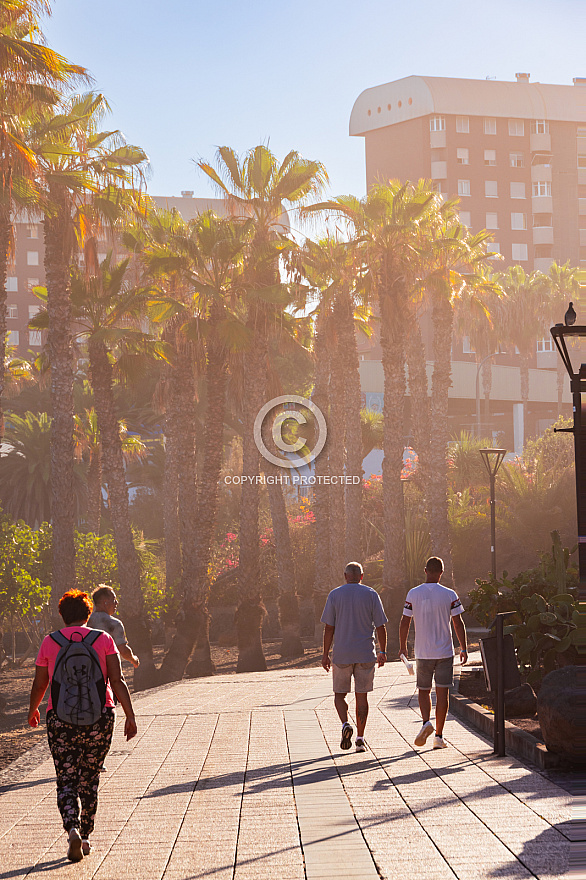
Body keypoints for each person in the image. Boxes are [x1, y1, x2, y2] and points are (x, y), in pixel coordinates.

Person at [28, 589, 137, 862]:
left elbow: (41, 683)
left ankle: (72, 828)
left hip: (60, 719)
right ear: (89, 613)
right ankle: (86, 837)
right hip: (100, 718)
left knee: (66, 779)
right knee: (90, 778)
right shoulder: (103, 639)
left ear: (62, 615)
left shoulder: (49, 642)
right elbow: (117, 679)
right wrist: (130, 715)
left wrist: (33, 710)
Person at [399, 556, 468, 750]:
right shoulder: (449, 594)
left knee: (423, 690)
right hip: (445, 651)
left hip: (422, 652)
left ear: (425, 570)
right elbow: (457, 622)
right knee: (442, 693)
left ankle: (425, 723)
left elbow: (405, 621)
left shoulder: (413, 593)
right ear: (442, 573)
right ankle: (438, 736)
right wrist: (463, 647)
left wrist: (403, 646)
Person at [321, 561, 388, 753]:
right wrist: (382, 651)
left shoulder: (334, 595)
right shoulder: (371, 594)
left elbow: (329, 628)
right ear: (361, 576)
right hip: (365, 653)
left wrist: (325, 654)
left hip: (342, 654)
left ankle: (345, 724)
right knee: (362, 697)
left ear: (345, 576)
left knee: (339, 696)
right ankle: (360, 739)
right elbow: (381, 626)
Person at [88, 585, 140, 668]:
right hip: (107, 670)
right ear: (105, 602)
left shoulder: (84, 622)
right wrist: (133, 659)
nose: (116, 603)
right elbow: (123, 650)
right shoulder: (114, 624)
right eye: (114, 600)